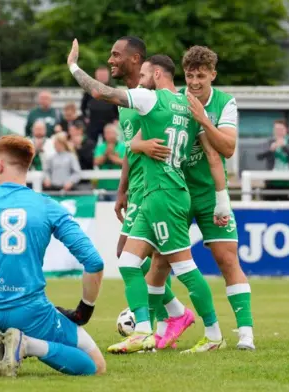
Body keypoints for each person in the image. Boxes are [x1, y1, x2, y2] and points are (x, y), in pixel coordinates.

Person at [68, 40, 231, 353]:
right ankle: (143, 330)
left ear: (156, 74)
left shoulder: (148, 98)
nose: (140, 80)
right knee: (128, 261)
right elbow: (209, 151)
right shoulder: (189, 104)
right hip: (163, 190)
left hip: (164, 193)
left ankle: (213, 334)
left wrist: (74, 66)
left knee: (183, 267)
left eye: (144, 74)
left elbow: (101, 92)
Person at [0, 135, 106, 378]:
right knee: (96, 365)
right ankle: (28, 345)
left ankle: (3, 345)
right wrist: (84, 311)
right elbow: (94, 262)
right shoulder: (45, 205)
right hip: (31, 312)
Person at [156, 45, 254, 351]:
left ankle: (245, 334)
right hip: (176, 193)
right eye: (189, 75)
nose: (195, 82)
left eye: (201, 75)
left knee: (227, 258)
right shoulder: (174, 100)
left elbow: (227, 149)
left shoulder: (225, 103)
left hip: (211, 193)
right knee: (159, 260)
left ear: (213, 74)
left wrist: (203, 119)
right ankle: (163, 327)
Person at [107, 37, 193, 350]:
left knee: (155, 259)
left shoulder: (154, 99)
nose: (111, 60)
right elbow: (132, 150)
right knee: (136, 257)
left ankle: (164, 321)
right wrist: (122, 191)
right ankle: (168, 318)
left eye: (116, 55)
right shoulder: (128, 103)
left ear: (136, 59)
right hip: (139, 191)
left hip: (159, 191)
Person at [256, 119, 289, 201]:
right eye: (276, 129)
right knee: (269, 205)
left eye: (281, 129)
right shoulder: (269, 142)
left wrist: (284, 147)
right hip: (271, 180)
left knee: (287, 206)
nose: (278, 132)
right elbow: (259, 156)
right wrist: (270, 150)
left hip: (287, 181)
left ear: (286, 130)